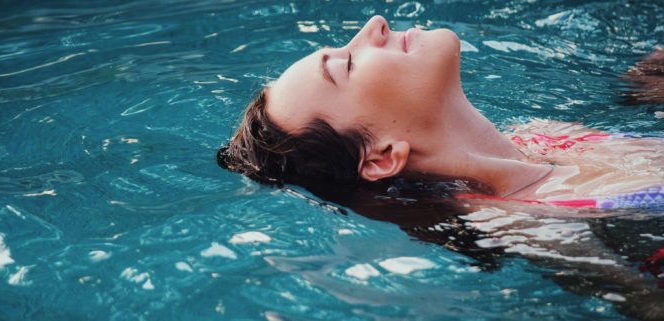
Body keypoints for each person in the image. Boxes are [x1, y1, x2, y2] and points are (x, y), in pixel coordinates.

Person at [217, 15, 664, 209]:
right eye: (347, 64)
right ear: (380, 158)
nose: (375, 25)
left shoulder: (541, 134)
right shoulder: (520, 220)